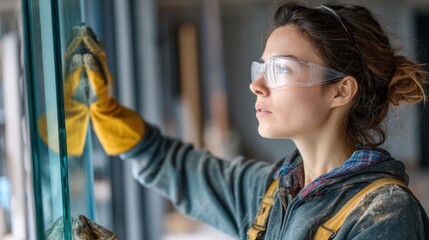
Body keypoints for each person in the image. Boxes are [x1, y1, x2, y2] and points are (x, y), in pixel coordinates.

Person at [60, 1, 429, 239]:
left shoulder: (384, 216)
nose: (256, 85)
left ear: (340, 91)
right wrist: (106, 112)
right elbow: (179, 169)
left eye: (281, 69)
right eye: (261, 68)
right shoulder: (274, 191)